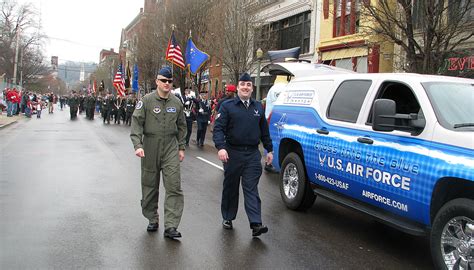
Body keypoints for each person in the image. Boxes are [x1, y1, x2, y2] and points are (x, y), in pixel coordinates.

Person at [212, 72, 273, 237]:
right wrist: (221, 147)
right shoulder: (227, 106)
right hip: (232, 153)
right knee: (231, 187)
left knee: (251, 188)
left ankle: (256, 224)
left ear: (252, 89)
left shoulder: (258, 107)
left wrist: (269, 149)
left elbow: (264, 131)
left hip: (252, 154)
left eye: (248, 85)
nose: (245, 88)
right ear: (237, 87)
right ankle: (228, 217)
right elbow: (218, 129)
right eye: (242, 85)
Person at [130, 66, 187, 239]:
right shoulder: (146, 101)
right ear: (157, 81)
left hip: (170, 146)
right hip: (150, 146)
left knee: (174, 186)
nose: (167, 84)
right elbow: (136, 122)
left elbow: (182, 126)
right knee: (149, 185)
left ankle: (171, 226)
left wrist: (181, 147)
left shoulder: (176, 102)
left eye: (170, 81)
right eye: (163, 80)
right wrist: (137, 144)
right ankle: (152, 218)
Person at [264, 75, 288, 174]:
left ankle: (268, 162)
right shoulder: (282, 88)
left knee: (271, 141)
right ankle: (269, 163)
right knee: (274, 142)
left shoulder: (273, 88)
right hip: (276, 119)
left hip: (270, 118)